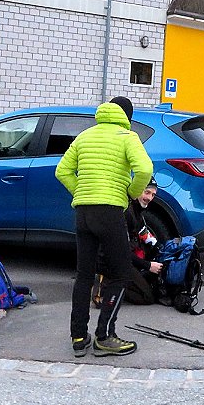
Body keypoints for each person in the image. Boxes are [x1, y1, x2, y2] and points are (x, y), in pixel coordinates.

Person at [56, 96, 153, 358]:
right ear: (127, 117)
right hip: (109, 212)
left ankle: (79, 337)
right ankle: (105, 336)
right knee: (121, 273)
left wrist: (82, 193)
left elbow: (62, 171)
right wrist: (131, 193)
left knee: (84, 275)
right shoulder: (127, 137)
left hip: (83, 212)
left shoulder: (84, 136)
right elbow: (145, 169)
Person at [94, 179, 163, 306]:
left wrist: (162, 249)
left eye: (153, 195)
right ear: (137, 190)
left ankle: (118, 282)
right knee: (147, 297)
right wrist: (148, 265)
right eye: (147, 192)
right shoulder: (126, 212)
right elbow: (121, 250)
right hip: (110, 261)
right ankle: (106, 284)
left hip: (123, 258)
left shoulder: (137, 212)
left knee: (148, 284)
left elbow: (146, 235)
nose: (149, 198)